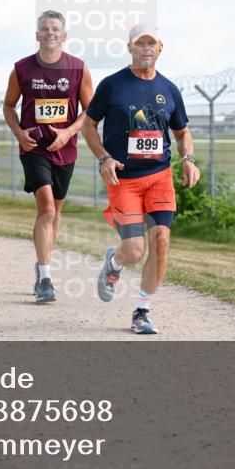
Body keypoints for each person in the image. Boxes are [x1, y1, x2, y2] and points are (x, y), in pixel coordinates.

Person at [81, 24, 200, 335]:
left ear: (161, 48)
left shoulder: (170, 89)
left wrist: (187, 159)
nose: (146, 48)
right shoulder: (112, 85)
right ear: (130, 48)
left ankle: (142, 311)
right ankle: (115, 264)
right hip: (125, 180)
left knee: (160, 242)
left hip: (159, 177)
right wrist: (104, 158)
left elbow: (182, 132)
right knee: (134, 250)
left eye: (152, 43)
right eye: (139, 43)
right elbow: (89, 125)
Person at [3, 10, 94, 303]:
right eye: (45, 29)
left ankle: (44, 261)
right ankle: (45, 277)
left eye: (55, 29)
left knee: (56, 210)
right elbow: (8, 106)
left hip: (64, 150)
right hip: (34, 148)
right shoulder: (22, 69)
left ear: (64, 36)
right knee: (47, 209)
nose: (50, 33)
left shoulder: (78, 68)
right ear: (37, 35)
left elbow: (89, 112)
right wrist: (18, 133)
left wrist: (68, 133)